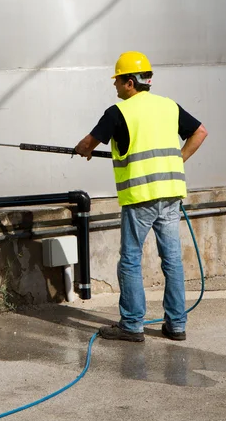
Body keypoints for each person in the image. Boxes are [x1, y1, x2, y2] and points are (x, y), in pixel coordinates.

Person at [75, 51, 207, 343]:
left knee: (131, 260)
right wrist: (176, 160)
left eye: (118, 81)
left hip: (139, 197)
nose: (115, 86)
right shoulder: (169, 106)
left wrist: (81, 149)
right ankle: (176, 325)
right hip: (171, 195)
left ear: (130, 83)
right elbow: (200, 132)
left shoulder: (118, 112)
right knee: (172, 260)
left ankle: (132, 325)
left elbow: (87, 144)